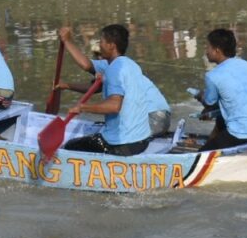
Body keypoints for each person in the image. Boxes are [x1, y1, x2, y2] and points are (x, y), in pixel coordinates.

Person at [56, 24, 171, 157]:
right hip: (142, 134)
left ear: (111, 46)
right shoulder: (126, 64)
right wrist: (66, 85)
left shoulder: (115, 69)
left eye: (102, 42)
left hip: (154, 117)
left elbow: (114, 106)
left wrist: (82, 107)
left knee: (70, 146)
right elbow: (87, 67)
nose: (99, 47)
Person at [195, 28, 247, 151]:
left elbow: (209, 102)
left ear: (217, 50)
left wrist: (201, 95)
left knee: (202, 154)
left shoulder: (213, 76)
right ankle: (215, 140)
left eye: (208, 47)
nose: (206, 51)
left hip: (243, 134)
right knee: (222, 118)